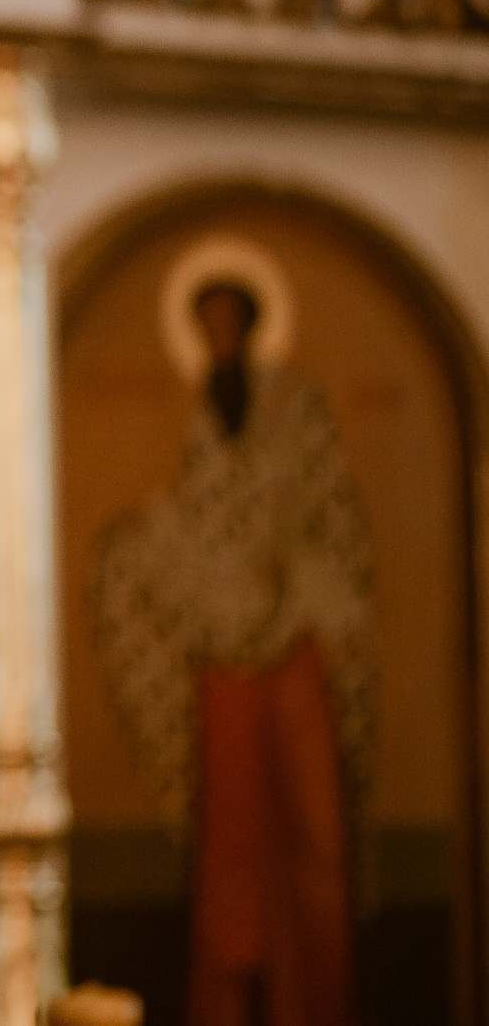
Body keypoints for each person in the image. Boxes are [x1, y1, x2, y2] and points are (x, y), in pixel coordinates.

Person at [92, 277, 373, 1026]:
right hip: (222, 653)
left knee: (313, 840)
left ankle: (314, 1005)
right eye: (205, 323)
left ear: (250, 326)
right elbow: (198, 515)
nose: (218, 336)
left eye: (229, 322)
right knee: (231, 852)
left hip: (295, 644)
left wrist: (287, 586)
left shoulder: (296, 406)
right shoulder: (198, 419)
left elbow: (330, 515)